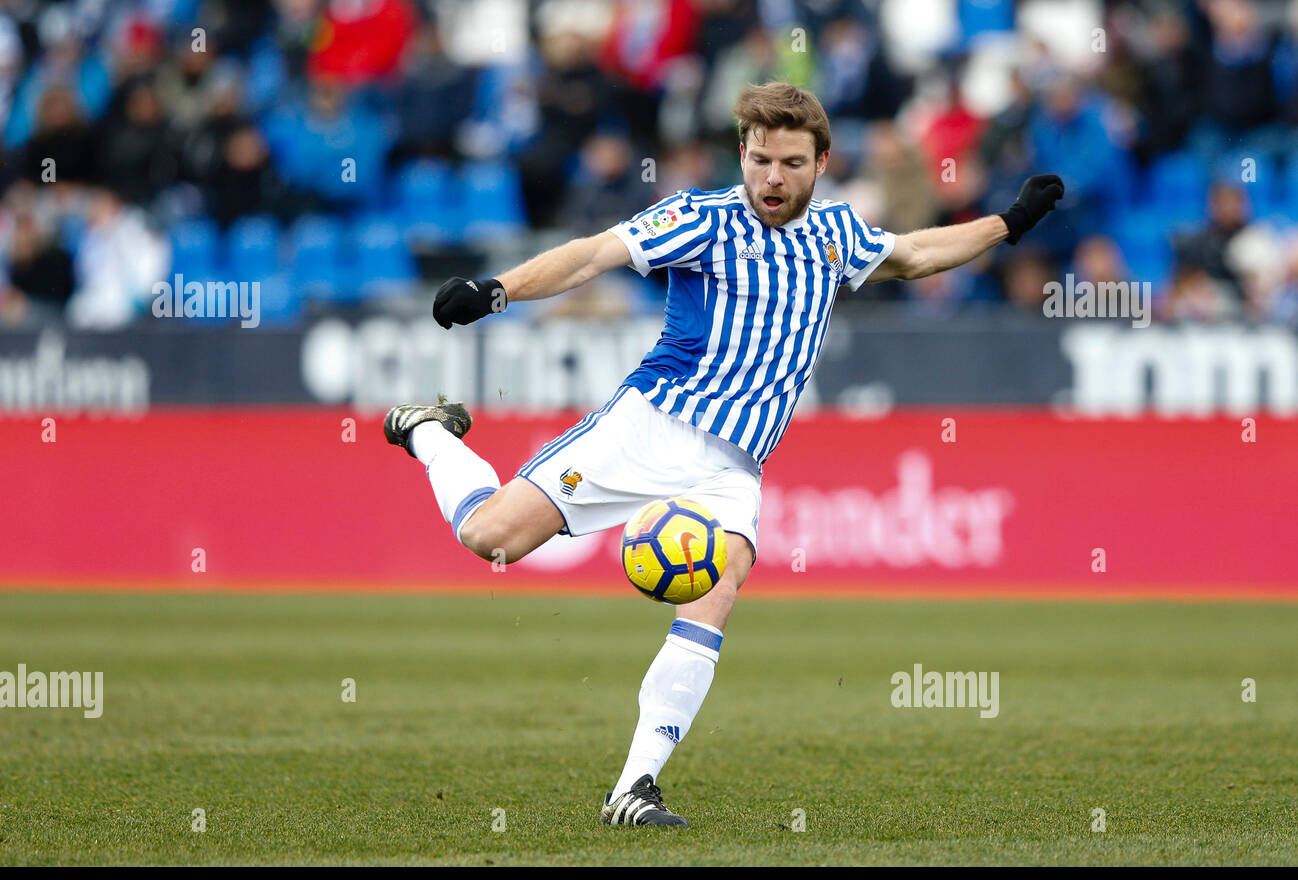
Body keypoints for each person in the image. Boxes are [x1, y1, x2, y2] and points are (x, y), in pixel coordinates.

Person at [382, 82, 1062, 827]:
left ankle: (633, 787)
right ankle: (428, 430)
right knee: (490, 538)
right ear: (742, 152)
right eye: (761, 158)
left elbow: (916, 254)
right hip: (650, 426)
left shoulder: (837, 235)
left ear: (822, 162)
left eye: (792, 163)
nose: (773, 177)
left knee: (719, 589)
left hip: (732, 465)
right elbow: (595, 253)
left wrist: (1010, 222)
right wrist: (498, 289)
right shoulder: (701, 219)